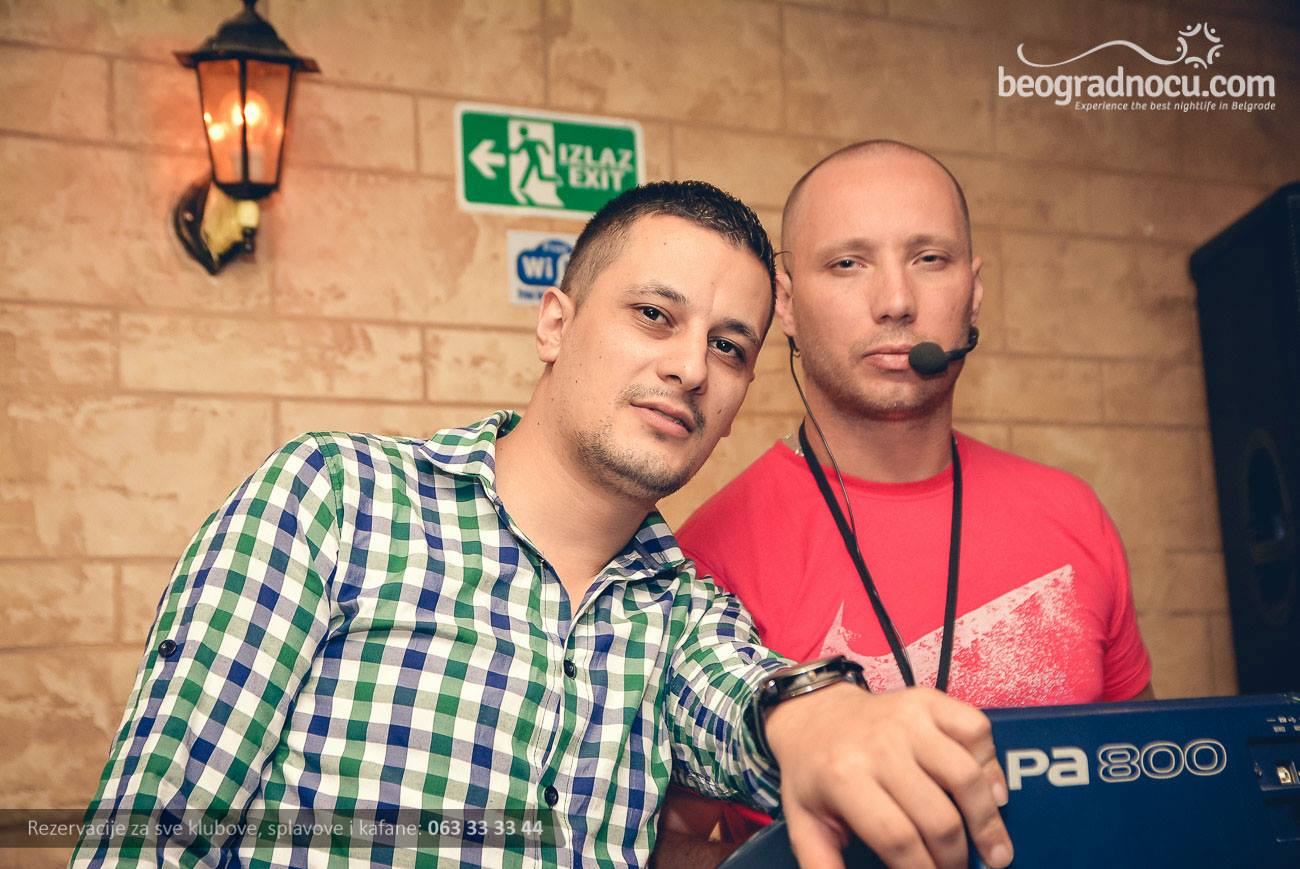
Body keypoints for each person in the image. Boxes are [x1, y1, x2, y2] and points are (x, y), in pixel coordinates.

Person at [72, 180, 1014, 869]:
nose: (691, 367)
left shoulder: (683, 609)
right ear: (555, 324)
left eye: (729, 348)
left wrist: (827, 715)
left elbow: (747, 698)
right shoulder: (336, 499)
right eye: (654, 315)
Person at [656, 141, 1153, 862]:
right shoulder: (705, 560)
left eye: (929, 258)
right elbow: (657, 843)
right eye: (847, 263)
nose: (896, 301)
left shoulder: (1074, 512)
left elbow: (1144, 774)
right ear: (785, 303)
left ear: (973, 292)